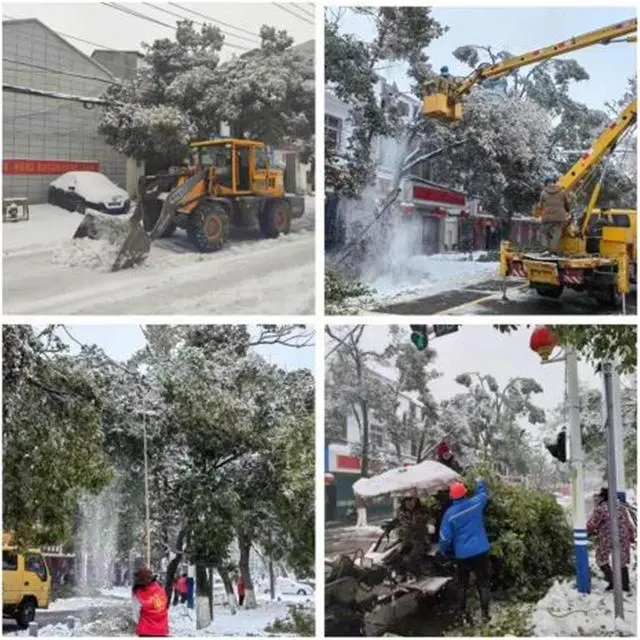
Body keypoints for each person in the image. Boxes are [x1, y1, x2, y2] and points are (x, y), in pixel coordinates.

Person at [439, 479, 491, 624]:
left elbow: (445, 537)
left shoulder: (449, 514)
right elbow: (484, 493)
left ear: (451, 496)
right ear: (465, 492)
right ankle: (485, 614)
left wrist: (444, 552)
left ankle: (462, 612)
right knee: (483, 583)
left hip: (462, 555)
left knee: (462, 584)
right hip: (481, 551)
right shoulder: (476, 503)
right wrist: (480, 481)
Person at [587, 487, 634, 592]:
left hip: (607, 537)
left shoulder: (601, 509)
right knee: (622, 561)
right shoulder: (621, 507)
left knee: (601, 559)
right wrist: (631, 536)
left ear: (603, 497)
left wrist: (586, 532)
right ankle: (625, 585)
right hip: (623, 536)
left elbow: (592, 524)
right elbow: (628, 523)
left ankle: (612, 581)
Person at [132, 567, 169, 637]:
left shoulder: (138, 594)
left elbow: (136, 615)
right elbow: (164, 607)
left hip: (145, 631)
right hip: (162, 630)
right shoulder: (161, 590)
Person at [397, 496, 429, 576]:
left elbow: (430, 519)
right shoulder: (402, 512)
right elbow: (403, 525)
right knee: (398, 555)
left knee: (413, 556)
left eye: (412, 500)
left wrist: (430, 524)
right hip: (406, 539)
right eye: (407, 501)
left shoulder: (423, 510)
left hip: (421, 539)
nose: (410, 503)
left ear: (416, 500)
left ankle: (414, 574)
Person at [538, 176, 571, 253]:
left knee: (543, 232)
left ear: (546, 184)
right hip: (559, 217)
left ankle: (545, 248)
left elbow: (540, 205)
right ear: (555, 183)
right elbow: (567, 204)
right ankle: (553, 250)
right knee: (557, 233)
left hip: (547, 217)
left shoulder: (543, 193)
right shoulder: (562, 191)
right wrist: (567, 210)